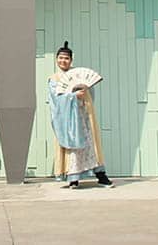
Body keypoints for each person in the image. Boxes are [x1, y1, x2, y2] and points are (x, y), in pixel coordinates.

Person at [48, 41, 112, 189]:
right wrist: (72, 96)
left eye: (66, 58)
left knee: (91, 143)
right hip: (67, 120)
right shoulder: (54, 80)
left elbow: (90, 91)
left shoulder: (78, 75)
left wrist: (84, 94)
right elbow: (55, 99)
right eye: (60, 58)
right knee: (72, 146)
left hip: (83, 116)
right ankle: (73, 177)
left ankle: (101, 175)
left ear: (71, 60)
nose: (63, 61)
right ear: (56, 59)